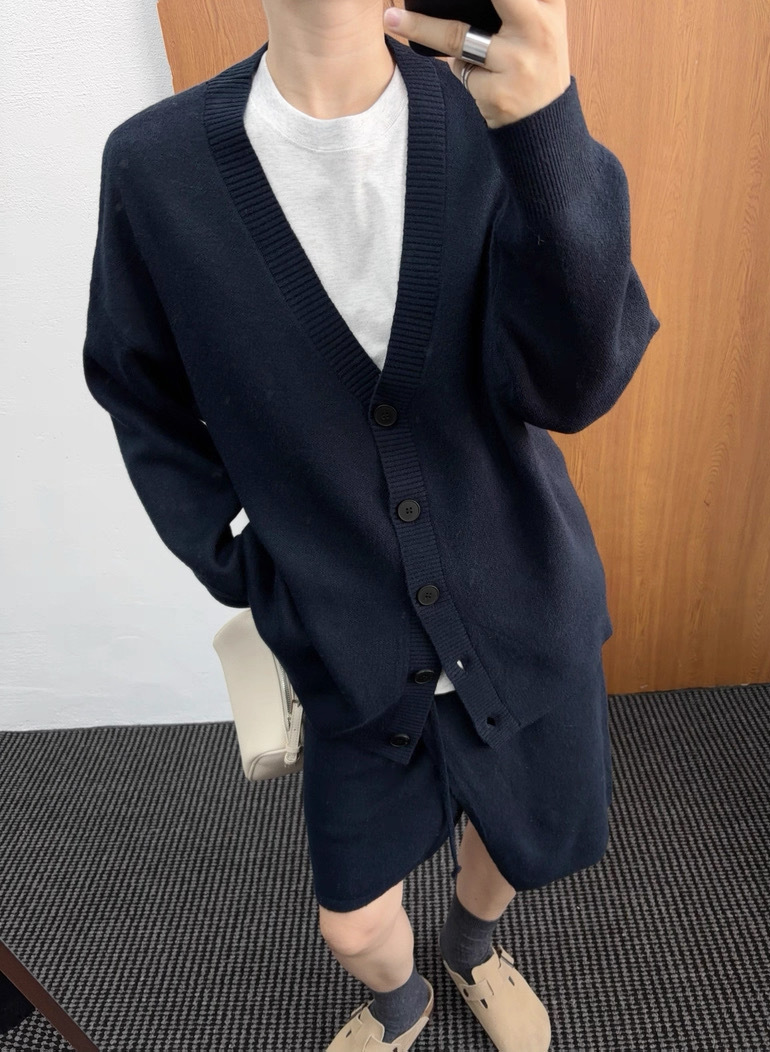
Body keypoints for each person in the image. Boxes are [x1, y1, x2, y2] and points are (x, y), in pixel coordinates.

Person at [82, 0, 660, 1048]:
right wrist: (240, 562)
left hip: (525, 606)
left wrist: (547, 135)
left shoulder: (499, 121)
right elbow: (139, 391)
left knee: (513, 838)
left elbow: (577, 383)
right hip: (346, 645)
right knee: (350, 919)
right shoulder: (155, 167)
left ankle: (473, 947)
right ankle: (401, 998)